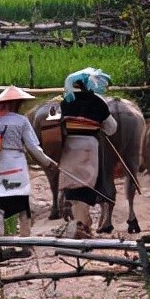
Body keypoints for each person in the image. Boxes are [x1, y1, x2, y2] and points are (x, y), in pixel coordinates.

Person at [0, 86, 58, 241]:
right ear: (16, 104)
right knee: (22, 203)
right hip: (16, 164)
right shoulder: (21, 121)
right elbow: (33, 147)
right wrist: (48, 162)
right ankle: (25, 239)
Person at [55, 67, 118, 239]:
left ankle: (79, 221)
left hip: (69, 148)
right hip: (89, 148)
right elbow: (112, 128)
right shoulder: (98, 102)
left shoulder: (66, 102)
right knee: (85, 185)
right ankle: (82, 225)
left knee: (72, 185)